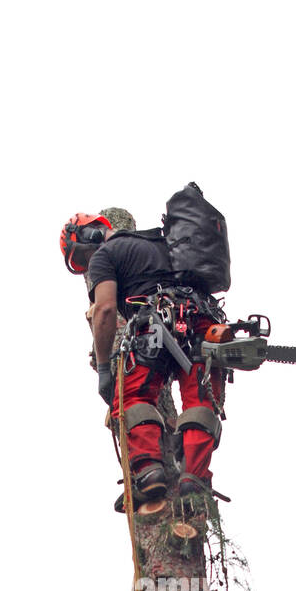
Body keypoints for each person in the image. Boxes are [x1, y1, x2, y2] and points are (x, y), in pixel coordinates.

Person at [60, 209, 225, 510]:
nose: (87, 267)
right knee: (201, 397)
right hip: (201, 321)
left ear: (90, 234)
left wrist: (104, 369)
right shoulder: (164, 241)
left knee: (130, 395)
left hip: (155, 326)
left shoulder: (105, 255)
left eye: (82, 259)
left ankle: (149, 473)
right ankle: (194, 478)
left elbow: (105, 309)